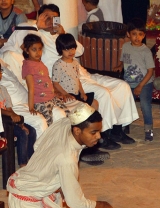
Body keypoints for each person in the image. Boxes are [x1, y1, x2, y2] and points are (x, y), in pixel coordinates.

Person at [0, 4, 139, 151]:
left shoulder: (60, 33)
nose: (50, 20)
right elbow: (18, 40)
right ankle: (104, 135)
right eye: (46, 17)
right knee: (103, 93)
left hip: (80, 71)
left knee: (121, 85)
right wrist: (37, 24)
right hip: (64, 77)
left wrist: (62, 33)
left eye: (54, 17)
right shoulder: (36, 37)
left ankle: (119, 129)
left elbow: (79, 50)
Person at [114, 18, 155, 142]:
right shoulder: (126, 46)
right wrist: (120, 66)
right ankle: (124, 125)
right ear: (128, 34)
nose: (137, 37)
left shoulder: (145, 51)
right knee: (125, 102)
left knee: (144, 104)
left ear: (144, 35)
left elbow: (150, 71)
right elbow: (124, 60)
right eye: (134, 34)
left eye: (140, 34)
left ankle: (149, 130)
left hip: (145, 83)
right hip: (129, 82)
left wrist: (140, 86)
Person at [22, 34, 69, 127]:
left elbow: (47, 81)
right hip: (41, 101)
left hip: (51, 97)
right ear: (26, 50)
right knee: (49, 123)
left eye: (40, 49)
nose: (38, 52)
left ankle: (65, 139)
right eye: (34, 49)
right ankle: (49, 141)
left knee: (68, 113)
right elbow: (31, 88)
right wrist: (31, 107)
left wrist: (56, 92)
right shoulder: (28, 66)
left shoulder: (40, 63)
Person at [52, 33, 99, 109]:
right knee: (80, 108)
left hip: (76, 94)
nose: (70, 52)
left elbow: (77, 79)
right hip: (66, 96)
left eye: (72, 48)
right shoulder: (58, 65)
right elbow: (55, 83)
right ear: (60, 49)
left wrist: (82, 93)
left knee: (95, 103)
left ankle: (93, 120)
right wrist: (65, 94)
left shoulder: (75, 63)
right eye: (67, 49)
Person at [0, 69, 35, 167]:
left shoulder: (3, 89)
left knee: (31, 130)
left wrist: (19, 122)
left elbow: (9, 108)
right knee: (22, 133)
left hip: (8, 120)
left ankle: (32, 159)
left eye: (0, 72)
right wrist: (10, 115)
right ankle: (23, 164)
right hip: (2, 124)